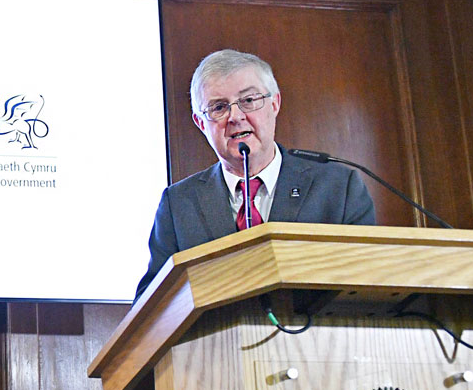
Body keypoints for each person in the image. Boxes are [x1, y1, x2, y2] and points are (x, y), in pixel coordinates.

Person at [134, 49, 376, 297]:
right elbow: (152, 303)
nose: (236, 117)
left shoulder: (339, 187)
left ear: (275, 103)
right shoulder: (178, 204)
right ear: (200, 123)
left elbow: (370, 282)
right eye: (219, 107)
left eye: (248, 100)